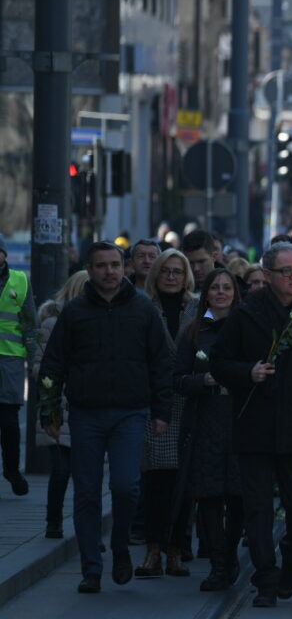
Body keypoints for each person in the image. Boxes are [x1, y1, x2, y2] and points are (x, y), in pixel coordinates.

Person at [210, 242, 292, 608]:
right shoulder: (245, 315)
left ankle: (290, 563)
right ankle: (266, 578)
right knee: (257, 508)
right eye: (287, 271)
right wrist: (247, 372)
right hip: (254, 427)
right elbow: (218, 361)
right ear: (267, 276)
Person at [39, 241, 174, 594]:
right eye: (101, 266)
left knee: (126, 486)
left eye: (115, 264)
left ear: (125, 267)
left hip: (130, 412)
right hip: (86, 414)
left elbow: (162, 364)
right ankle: (91, 569)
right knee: (86, 493)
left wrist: (161, 412)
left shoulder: (143, 309)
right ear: (90, 268)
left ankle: (120, 548)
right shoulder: (75, 311)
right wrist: (50, 411)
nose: (109, 272)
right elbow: (53, 364)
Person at [173, 269, 243, 591]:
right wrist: (203, 380)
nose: (221, 292)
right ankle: (217, 563)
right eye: (215, 287)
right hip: (206, 420)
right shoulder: (193, 332)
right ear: (206, 293)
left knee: (239, 496)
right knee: (210, 496)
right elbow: (177, 380)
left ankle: (230, 554)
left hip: (240, 420)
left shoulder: (247, 327)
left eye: (227, 287)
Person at [137, 248, 197, 578]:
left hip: (188, 401)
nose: (172, 277)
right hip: (156, 402)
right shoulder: (144, 307)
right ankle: (153, 549)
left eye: (177, 271)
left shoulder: (200, 308)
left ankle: (177, 549)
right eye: (166, 271)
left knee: (184, 483)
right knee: (156, 482)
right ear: (155, 275)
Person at [31, 270, 89, 537]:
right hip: (57, 406)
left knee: (85, 475)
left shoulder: (96, 320)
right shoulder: (51, 323)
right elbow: (38, 367)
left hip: (86, 408)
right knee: (61, 470)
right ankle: (53, 521)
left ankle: (85, 527)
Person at [0, 235, 36, 497]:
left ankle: (11, 469)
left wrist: (35, 359)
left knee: (9, 422)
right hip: (10, 361)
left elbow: (30, 324)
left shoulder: (20, 281)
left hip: (10, 360)